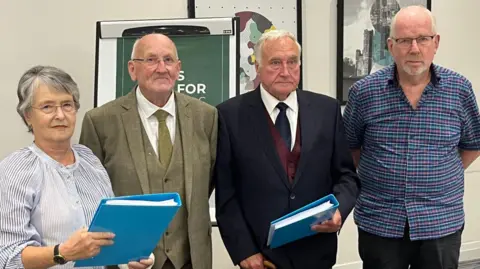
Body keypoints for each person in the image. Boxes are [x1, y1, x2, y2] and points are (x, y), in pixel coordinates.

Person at [343, 5, 480, 269]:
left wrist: (439, 172)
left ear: (436, 42)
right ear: (391, 45)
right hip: (380, 221)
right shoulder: (364, 93)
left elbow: (472, 145)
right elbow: (351, 150)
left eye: (422, 39)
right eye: (405, 41)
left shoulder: (459, 89)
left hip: (440, 222)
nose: (414, 49)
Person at [214, 29, 360, 269]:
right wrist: (244, 251)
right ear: (257, 67)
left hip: (316, 253)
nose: (285, 71)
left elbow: (346, 176)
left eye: (292, 62)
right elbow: (226, 194)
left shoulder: (327, 110)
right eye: (275, 63)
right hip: (261, 257)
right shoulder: (229, 116)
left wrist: (340, 212)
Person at [79, 33, 218, 269]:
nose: (161, 68)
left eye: (168, 60)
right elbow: (87, 196)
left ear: (178, 68)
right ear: (133, 69)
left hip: (190, 260)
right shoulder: (100, 121)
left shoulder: (205, 116)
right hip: (127, 260)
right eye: (151, 60)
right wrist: (120, 254)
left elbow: (210, 181)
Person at [0, 65, 154, 269]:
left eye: (67, 105)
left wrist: (130, 258)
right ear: (28, 115)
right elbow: (8, 257)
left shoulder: (90, 160)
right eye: (47, 107)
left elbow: (109, 233)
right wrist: (62, 253)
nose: (60, 115)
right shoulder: (15, 170)